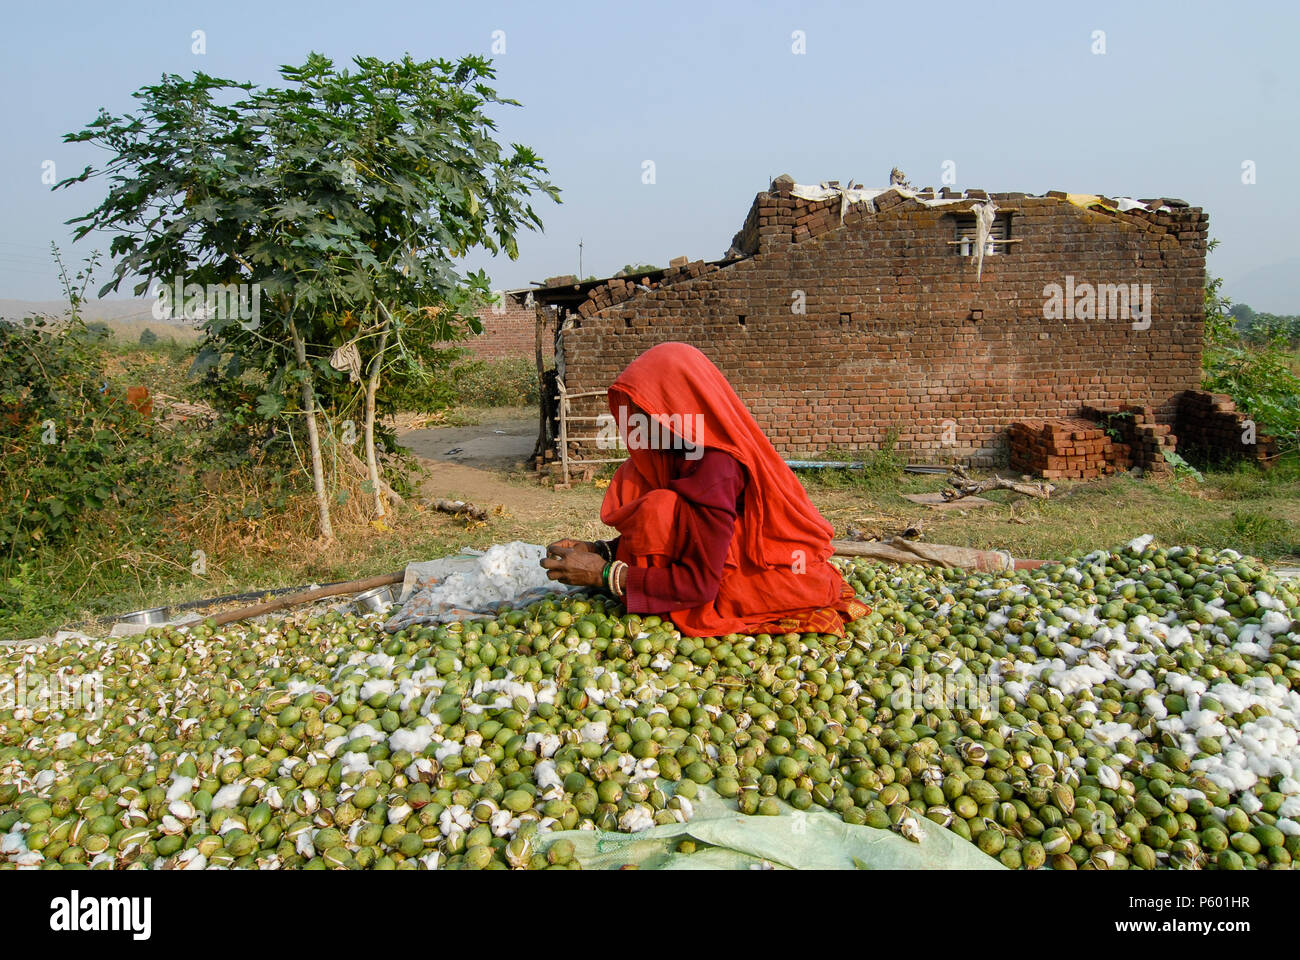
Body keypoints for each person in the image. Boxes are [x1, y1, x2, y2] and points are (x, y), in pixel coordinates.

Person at [541, 341, 869, 637]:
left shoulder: (716, 467)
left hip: (766, 576)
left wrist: (608, 575)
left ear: (678, 405)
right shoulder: (680, 452)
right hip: (717, 558)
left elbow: (700, 583)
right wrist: (600, 550)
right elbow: (683, 534)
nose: (638, 422)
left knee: (659, 507)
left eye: (647, 410)